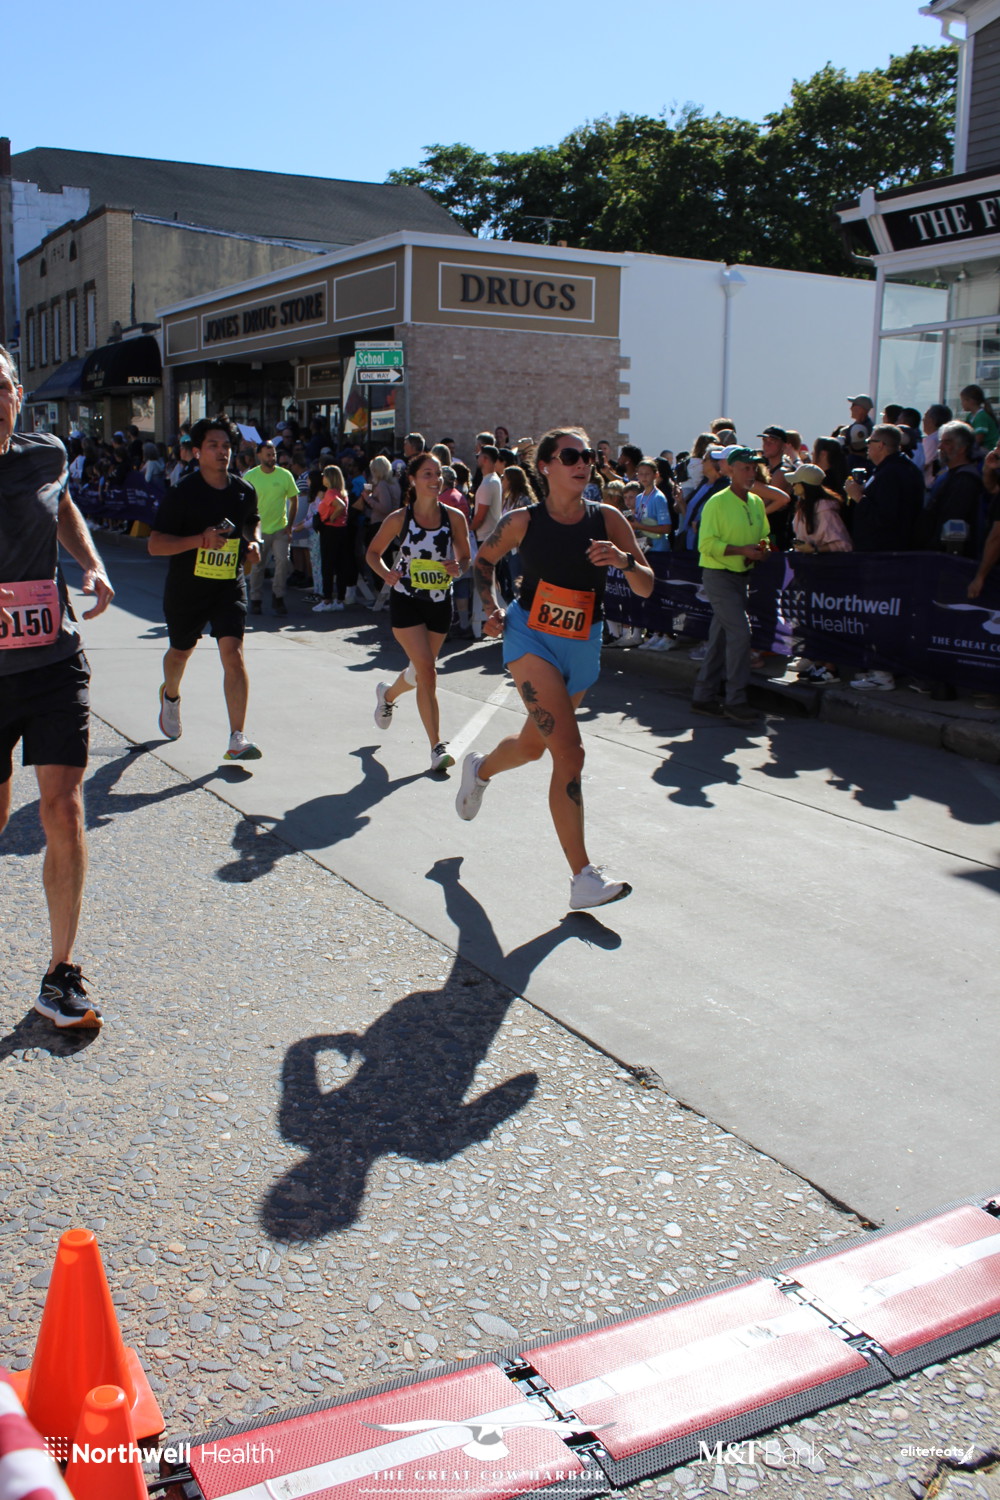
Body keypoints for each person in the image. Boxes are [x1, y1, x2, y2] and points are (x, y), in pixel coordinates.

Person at [456, 426, 654, 909]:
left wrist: (625, 561)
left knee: (532, 747)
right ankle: (583, 877)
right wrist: (492, 608)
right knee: (570, 753)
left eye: (586, 456)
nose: (582, 463)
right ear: (545, 466)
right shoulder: (523, 521)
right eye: (570, 456)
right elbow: (482, 563)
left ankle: (479, 769)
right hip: (531, 638)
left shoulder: (608, 518)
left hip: (583, 644)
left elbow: (647, 586)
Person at [0, 344, 114, 1029]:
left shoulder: (46, 453)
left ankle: (60, 974)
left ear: (18, 394)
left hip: (52, 659)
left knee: (64, 811)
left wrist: (92, 565)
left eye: (1, 387)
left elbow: (62, 504)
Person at [147, 417, 264, 761]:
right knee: (180, 652)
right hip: (188, 588)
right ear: (197, 451)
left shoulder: (243, 491)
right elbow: (155, 545)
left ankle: (237, 738)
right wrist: (200, 540)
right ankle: (170, 695)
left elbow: (251, 521)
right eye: (213, 445)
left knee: (234, 655)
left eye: (226, 446)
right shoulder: (183, 493)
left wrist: (254, 543)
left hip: (229, 585)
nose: (222, 452)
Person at [366, 451, 471, 771]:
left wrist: (458, 567)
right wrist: (386, 574)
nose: (435, 479)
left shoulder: (454, 517)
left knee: (419, 671)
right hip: (407, 600)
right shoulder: (400, 518)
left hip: (440, 602)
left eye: (438, 474)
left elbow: (466, 557)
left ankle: (387, 695)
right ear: (412, 479)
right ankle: (437, 747)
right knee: (428, 671)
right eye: (428, 474)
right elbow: (373, 553)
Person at [690, 446, 770, 723]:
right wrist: (742, 551)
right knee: (740, 633)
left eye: (754, 468)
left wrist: (762, 549)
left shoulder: (756, 502)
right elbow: (706, 545)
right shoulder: (717, 502)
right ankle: (736, 701)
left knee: (721, 636)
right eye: (746, 468)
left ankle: (703, 696)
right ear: (731, 470)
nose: (751, 473)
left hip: (742, 576)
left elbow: (765, 535)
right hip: (719, 575)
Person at [245, 440, 300, 617]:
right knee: (258, 566)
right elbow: (243, 501)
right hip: (258, 530)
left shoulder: (285, 475)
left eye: (274, 454)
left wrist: (290, 526)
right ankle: (255, 599)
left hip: (280, 528)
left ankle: (278, 597)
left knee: (283, 562)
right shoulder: (250, 476)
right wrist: (247, 528)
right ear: (259, 455)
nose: (272, 458)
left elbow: (294, 500)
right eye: (268, 455)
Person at [311, 465, 351, 611]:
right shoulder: (342, 493)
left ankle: (327, 599)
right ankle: (340, 599)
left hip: (330, 530)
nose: (323, 478)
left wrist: (332, 518)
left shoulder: (330, 493)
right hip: (342, 530)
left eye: (324, 475)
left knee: (327, 565)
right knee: (340, 566)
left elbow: (340, 506)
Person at [959, 385, 999, 452]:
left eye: (963, 400)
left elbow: (978, 439)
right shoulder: (970, 416)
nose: (961, 403)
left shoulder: (981, 416)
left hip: (989, 449)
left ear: (971, 401)